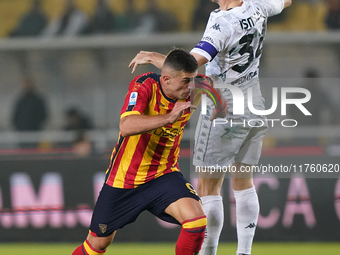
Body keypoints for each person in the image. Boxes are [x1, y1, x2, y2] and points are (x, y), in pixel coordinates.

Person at [128, 1, 292, 255]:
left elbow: (188, 68)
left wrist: (153, 57)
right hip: (254, 102)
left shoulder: (222, 22)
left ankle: (209, 252)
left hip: (223, 107)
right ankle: (244, 252)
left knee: (208, 187)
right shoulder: (258, 5)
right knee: (244, 182)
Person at [71, 49, 215, 255]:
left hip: (163, 175)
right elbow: (126, 125)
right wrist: (168, 118)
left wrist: (155, 58)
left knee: (196, 221)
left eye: (192, 80)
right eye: (185, 81)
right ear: (166, 79)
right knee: (97, 245)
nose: (190, 86)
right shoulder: (145, 85)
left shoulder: (196, 87)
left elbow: (211, 86)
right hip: (125, 179)